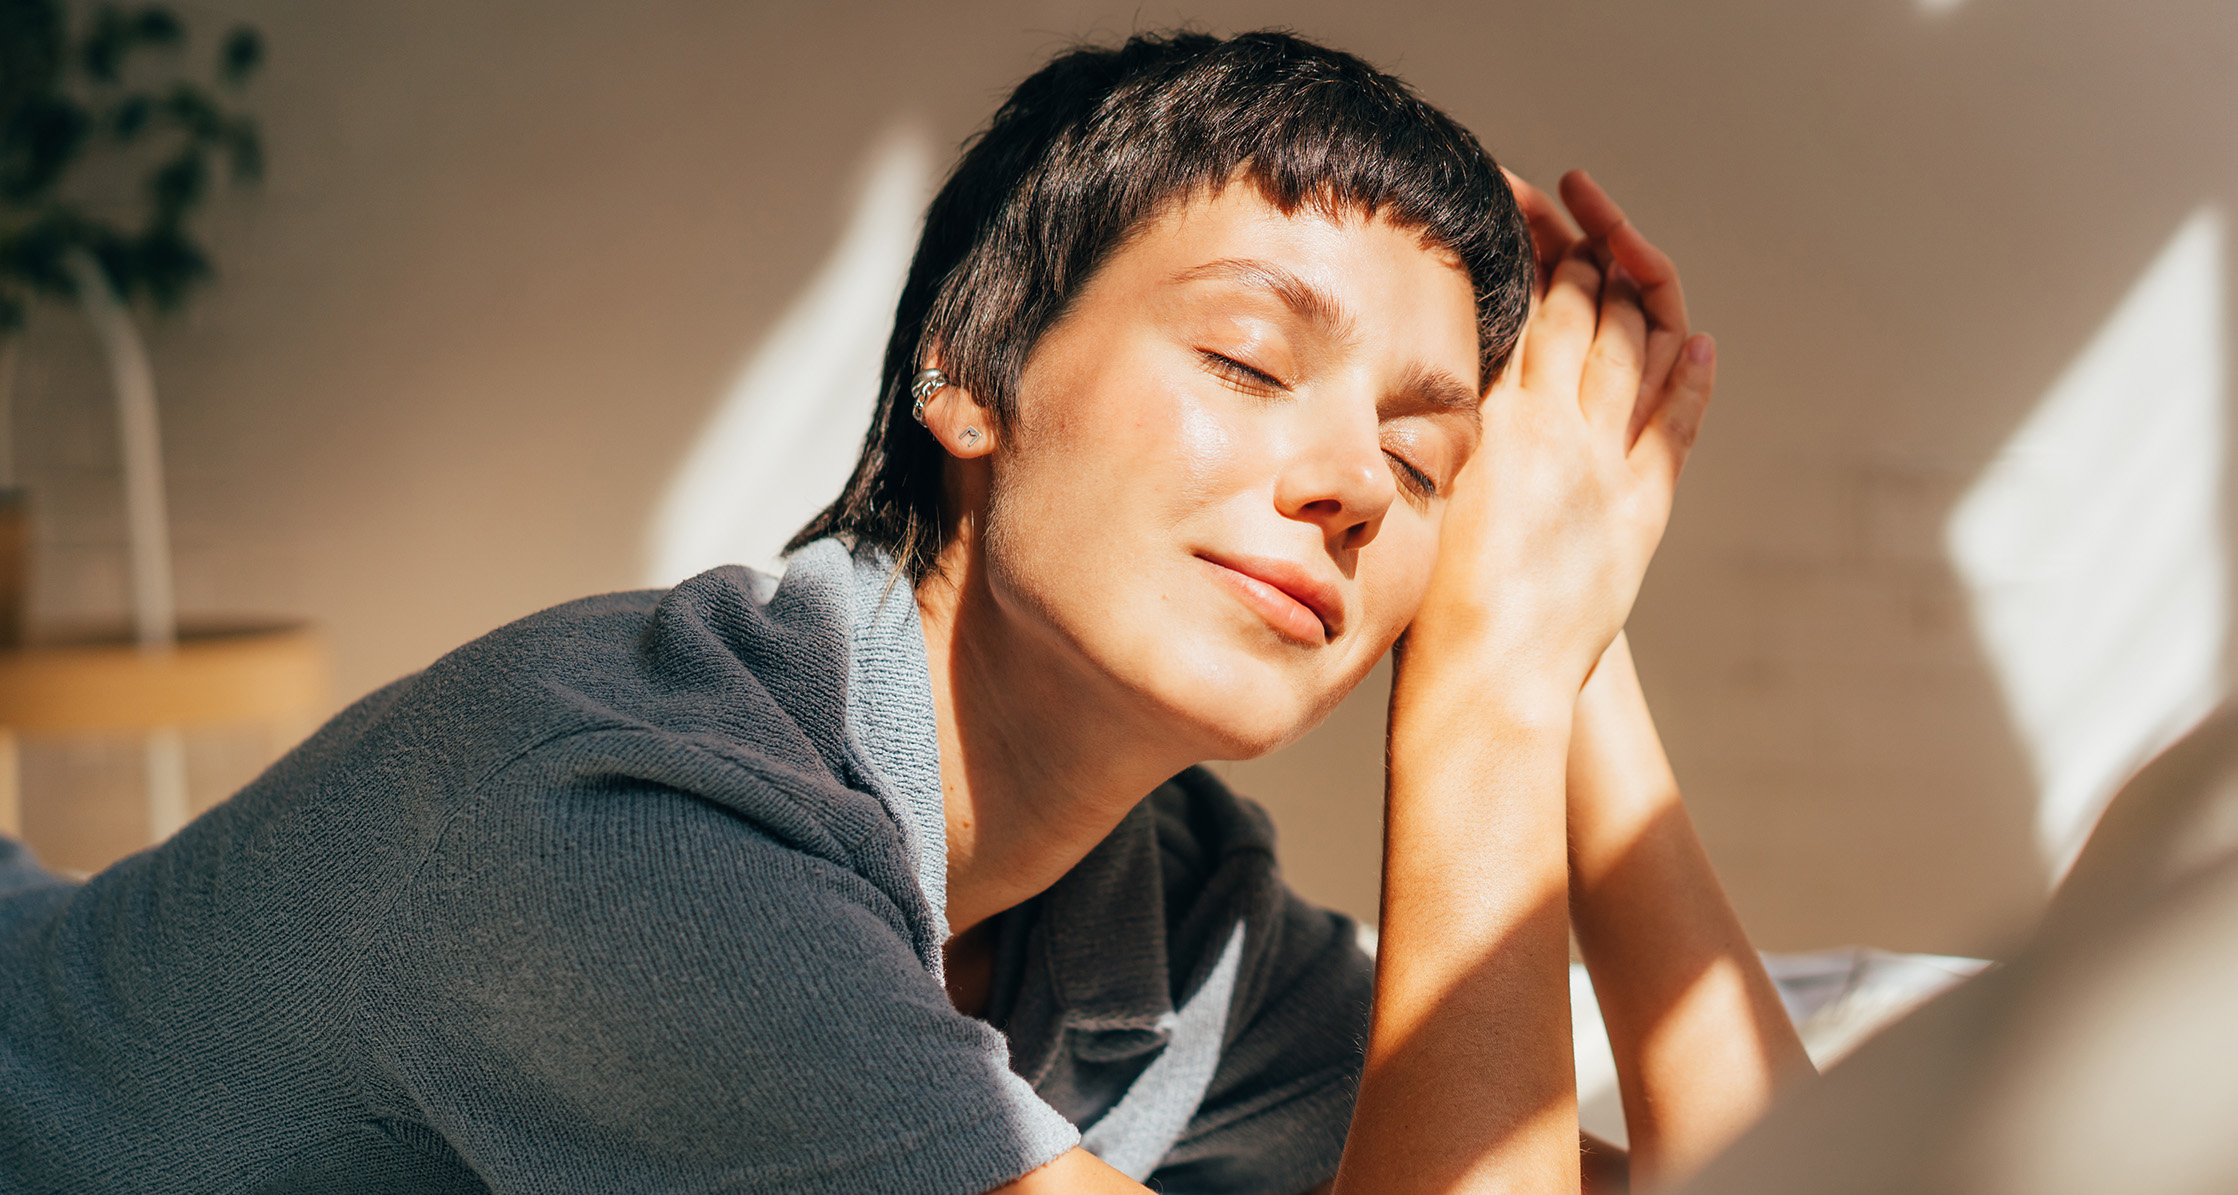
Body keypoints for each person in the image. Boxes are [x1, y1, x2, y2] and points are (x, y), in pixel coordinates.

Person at [0, 30, 1809, 1195]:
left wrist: (1575, 649)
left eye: (1427, 473)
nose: (1352, 485)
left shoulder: (1167, 925)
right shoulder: (634, 842)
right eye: (1252, 358)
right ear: (967, 373)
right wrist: (1489, 685)